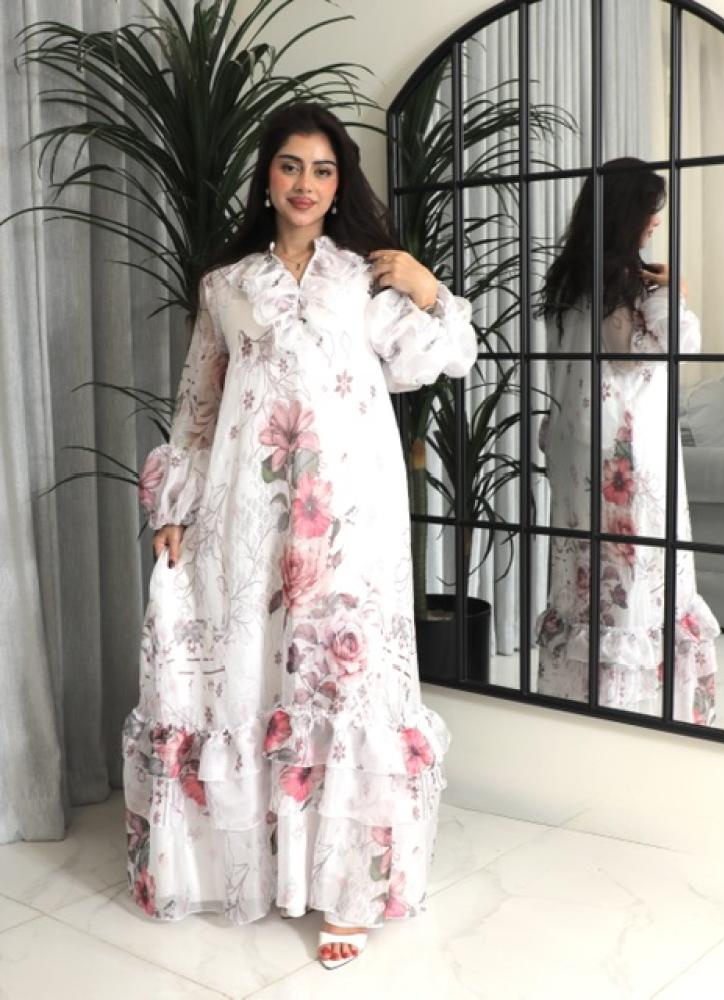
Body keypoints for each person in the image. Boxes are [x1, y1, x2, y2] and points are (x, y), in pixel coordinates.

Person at [122, 102, 476, 969]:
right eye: (290, 166)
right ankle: (259, 865)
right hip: (249, 512)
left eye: (322, 170)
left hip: (353, 516)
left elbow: (445, 356)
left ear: (339, 182)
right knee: (255, 669)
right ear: (267, 177)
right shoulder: (225, 287)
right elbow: (197, 409)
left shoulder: (363, 278)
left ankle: (351, 888)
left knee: (345, 681)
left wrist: (427, 287)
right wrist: (175, 510)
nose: (306, 184)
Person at [535, 158, 719, 723]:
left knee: (588, 571)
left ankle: (584, 699)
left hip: (573, 445)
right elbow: (670, 346)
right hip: (627, 454)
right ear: (627, 214)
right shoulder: (629, 284)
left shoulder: (566, 278)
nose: (656, 222)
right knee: (634, 576)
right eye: (650, 211)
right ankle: (632, 709)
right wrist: (674, 290)